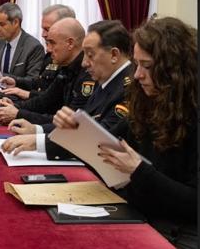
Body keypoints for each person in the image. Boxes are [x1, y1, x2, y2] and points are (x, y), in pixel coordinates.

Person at [54, 17, 197, 248]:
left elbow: (193, 203)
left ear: (175, 69)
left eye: (147, 66)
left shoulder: (193, 114)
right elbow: (106, 143)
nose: (138, 74)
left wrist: (139, 171)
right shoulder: (147, 100)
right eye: (137, 64)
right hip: (140, 209)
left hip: (179, 230)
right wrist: (76, 131)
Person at [2, 20, 133, 159]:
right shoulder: (106, 82)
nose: (84, 63)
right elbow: (79, 127)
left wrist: (38, 141)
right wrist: (36, 130)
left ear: (114, 55)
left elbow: (100, 140)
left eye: (90, 54)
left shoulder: (127, 89)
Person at [0, 18, 93, 126]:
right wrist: (15, 106)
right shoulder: (66, 67)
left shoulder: (88, 74)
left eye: (52, 43)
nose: (48, 49)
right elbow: (44, 101)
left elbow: (70, 123)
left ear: (70, 43)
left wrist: (18, 113)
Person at [0, 4, 76, 100]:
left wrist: (19, 109)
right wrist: (16, 82)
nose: (43, 34)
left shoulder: (80, 67)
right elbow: (38, 83)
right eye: (42, 29)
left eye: (47, 29)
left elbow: (53, 102)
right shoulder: (49, 58)